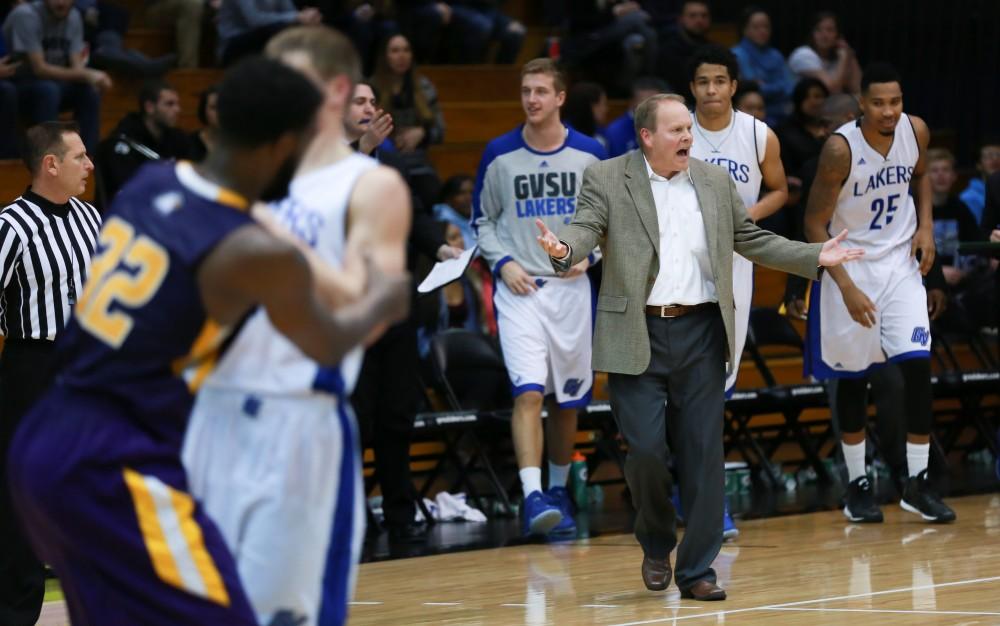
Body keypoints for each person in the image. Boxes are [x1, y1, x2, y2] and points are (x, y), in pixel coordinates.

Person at [6, 57, 410, 624]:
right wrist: (386, 293)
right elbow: (336, 333)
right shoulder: (240, 240)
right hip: (112, 462)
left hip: (45, 443)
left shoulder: (150, 185)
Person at [536, 92, 862, 599]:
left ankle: (697, 571)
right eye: (676, 131)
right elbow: (584, 231)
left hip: (701, 331)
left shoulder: (713, 181)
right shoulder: (607, 177)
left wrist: (816, 255)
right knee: (644, 450)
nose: (688, 137)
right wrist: (563, 251)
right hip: (636, 332)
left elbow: (750, 238)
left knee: (704, 455)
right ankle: (656, 540)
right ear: (646, 137)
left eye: (689, 129)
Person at [182, 28, 410, 625]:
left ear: (332, 91)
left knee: (284, 616)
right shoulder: (241, 170)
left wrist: (274, 247)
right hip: (212, 410)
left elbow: (374, 312)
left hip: (296, 417)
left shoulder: (370, 185)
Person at [803, 62, 956, 525]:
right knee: (855, 377)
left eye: (895, 102)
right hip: (850, 265)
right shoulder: (839, 149)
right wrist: (845, 286)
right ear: (861, 105)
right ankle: (857, 485)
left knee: (916, 366)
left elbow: (921, 175)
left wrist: (925, 227)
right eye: (878, 103)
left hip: (899, 265)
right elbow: (813, 223)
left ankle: (918, 483)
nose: (888, 111)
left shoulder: (916, 131)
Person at [472, 57, 606, 537]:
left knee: (567, 404)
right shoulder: (499, 153)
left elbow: (610, 223)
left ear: (560, 97)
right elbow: (482, 221)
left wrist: (588, 260)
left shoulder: (591, 154)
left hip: (572, 291)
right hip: (520, 290)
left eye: (541, 91)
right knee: (528, 392)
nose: (532, 99)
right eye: (526, 90)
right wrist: (502, 263)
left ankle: (557, 490)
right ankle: (531, 498)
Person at [344, 78, 460, 545]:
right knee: (355, 416)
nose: (369, 107)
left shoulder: (388, 158)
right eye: (359, 101)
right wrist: (361, 152)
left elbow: (411, 215)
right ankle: (351, 516)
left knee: (397, 413)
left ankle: (399, 512)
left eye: (374, 100)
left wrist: (439, 247)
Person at [0, 121, 101, 626]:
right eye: (80, 157)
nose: (90, 165)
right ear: (51, 165)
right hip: (32, 367)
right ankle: (16, 613)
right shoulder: (11, 225)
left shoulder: (90, 218)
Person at [686, 44, 787, 540]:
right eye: (703, 81)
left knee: (717, 388)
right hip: (681, 268)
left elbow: (780, 190)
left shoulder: (756, 132)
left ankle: (703, 496)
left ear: (733, 86)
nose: (711, 90)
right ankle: (698, 496)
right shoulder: (675, 131)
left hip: (736, 267)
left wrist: (742, 221)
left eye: (719, 81)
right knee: (685, 387)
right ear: (692, 88)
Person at [2, 0, 111, 152]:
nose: (61, 2)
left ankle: (89, 158)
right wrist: (88, 74)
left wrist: (90, 79)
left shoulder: (73, 16)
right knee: (48, 90)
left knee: (88, 91)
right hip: (20, 83)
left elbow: (76, 66)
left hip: (53, 83)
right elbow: (39, 69)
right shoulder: (26, 15)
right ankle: (50, 156)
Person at [370, 33, 445, 209]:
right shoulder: (371, 88)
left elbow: (441, 131)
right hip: (382, 166)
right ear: (384, 56)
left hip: (419, 165)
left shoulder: (424, 87)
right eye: (395, 51)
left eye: (406, 50)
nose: (401, 56)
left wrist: (423, 133)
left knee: (432, 194)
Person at [97, 79, 192, 205]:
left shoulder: (177, 137)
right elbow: (125, 189)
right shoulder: (123, 140)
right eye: (169, 104)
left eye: (177, 104)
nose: (177, 109)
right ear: (150, 107)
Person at [730, 6, 793, 126]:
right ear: (745, 29)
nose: (762, 31)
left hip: (781, 113)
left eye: (766, 27)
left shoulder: (776, 55)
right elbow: (753, 88)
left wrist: (766, 87)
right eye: (756, 27)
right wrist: (776, 87)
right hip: (750, 114)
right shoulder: (737, 54)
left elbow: (789, 88)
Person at [216, 0, 322, 66]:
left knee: (301, 29)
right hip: (234, 47)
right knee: (275, 29)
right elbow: (256, 20)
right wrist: (297, 16)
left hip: (261, 40)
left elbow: (291, 12)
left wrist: (307, 18)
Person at [787, 11, 861, 95]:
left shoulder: (838, 54)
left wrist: (850, 55)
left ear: (838, 35)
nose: (824, 35)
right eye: (818, 30)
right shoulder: (803, 55)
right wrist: (843, 59)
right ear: (812, 34)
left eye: (830, 30)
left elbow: (858, 90)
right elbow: (833, 90)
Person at [604, 75, 668, 158]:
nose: (648, 106)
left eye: (653, 101)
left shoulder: (670, 125)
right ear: (632, 102)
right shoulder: (615, 131)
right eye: (643, 101)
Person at [657, 0, 709, 101]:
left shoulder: (715, 49)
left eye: (704, 16)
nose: (699, 20)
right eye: (693, 16)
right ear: (681, 19)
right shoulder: (667, 51)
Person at [959, 139, 1000, 225]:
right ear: (979, 165)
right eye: (989, 156)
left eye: (999, 155)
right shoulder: (968, 197)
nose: (995, 160)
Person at [561, 80, 608, 148]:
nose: (606, 109)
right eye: (604, 104)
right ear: (592, 107)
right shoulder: (564, 135)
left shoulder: (601, 132)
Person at [188, 85, 219, 162]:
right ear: (203, 110)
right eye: (214, 107)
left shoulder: (237, 144)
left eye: (223, 106)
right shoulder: (189, 142)